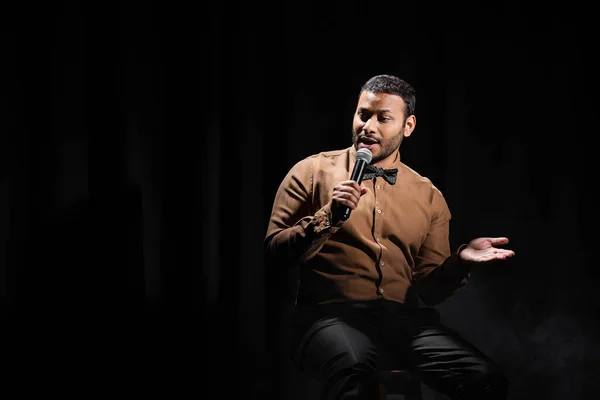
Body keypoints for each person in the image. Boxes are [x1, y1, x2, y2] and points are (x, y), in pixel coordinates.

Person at [263, 74, 515, 400]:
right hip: (327, 318)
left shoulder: (428, 195)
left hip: (402, 323)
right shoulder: (310, 172)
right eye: (363, 115)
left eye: (383, 118)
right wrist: (329, 216)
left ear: (408, 126)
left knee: (486, 379)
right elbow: (274, 250)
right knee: (356, 371)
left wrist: (459, 260)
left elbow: (430, 290)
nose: (368, 126)